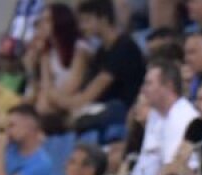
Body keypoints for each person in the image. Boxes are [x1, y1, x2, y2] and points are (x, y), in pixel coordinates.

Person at [48, 0, 146, 136]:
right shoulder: (100, 52)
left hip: (120, 110)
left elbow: (87, 97)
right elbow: (84, 91)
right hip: (98, 107)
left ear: (104, 19)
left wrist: (56, 98)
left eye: (87, 21)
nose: (82, 27)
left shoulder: (124, 48)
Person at [131, 61, 199, 175]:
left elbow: (172, 170)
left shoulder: (183, 116)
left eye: (149, 84)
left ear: (169, 86)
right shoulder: (155, 115)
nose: (143, 89)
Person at [0, 104, 53, 175]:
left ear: (29, 125)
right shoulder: (10, 150)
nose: (7, 131)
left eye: (12, 125)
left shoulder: (41, 163)